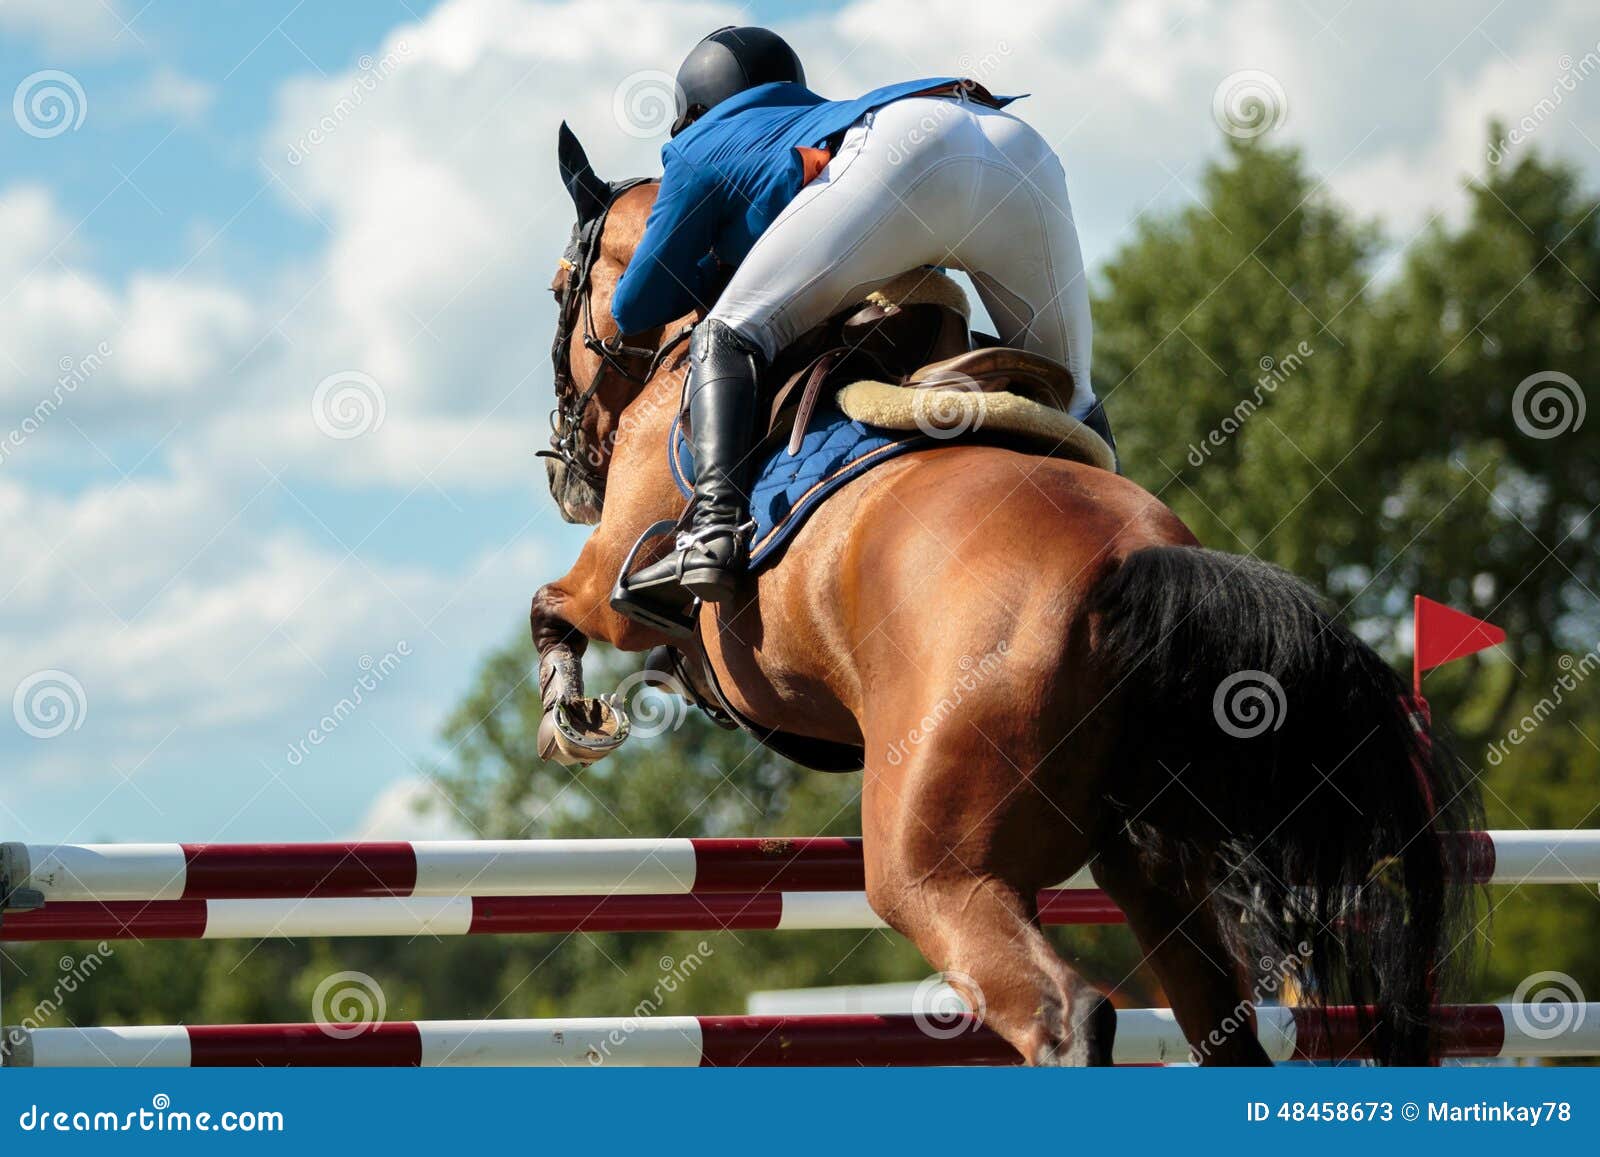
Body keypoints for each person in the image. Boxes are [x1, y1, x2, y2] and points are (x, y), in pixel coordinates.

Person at [613, 25, 1110, 608]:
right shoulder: (816, 117)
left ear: (695, 109)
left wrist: (710, 262)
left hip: (907, 152)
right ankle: (1123, 534)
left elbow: (633, 306)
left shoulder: (698, 144)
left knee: (729, 330)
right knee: (1073, 390)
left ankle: (712, 530)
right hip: (1014, 142)